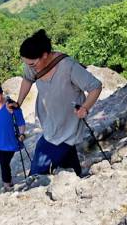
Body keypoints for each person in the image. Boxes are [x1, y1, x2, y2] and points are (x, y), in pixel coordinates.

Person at [10, 29, 102, 177]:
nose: (29, 67)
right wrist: (18, 102)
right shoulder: (33, 65)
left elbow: (95, 86)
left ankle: (35, 186)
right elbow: (28, 79)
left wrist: (85, 108)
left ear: (45, 55)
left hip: (68, 124)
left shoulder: (68, 66)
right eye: (26, 64)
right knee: (67, 158)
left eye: (32, 64)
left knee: (39, 168)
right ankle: (78, 178)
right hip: (51, 121)